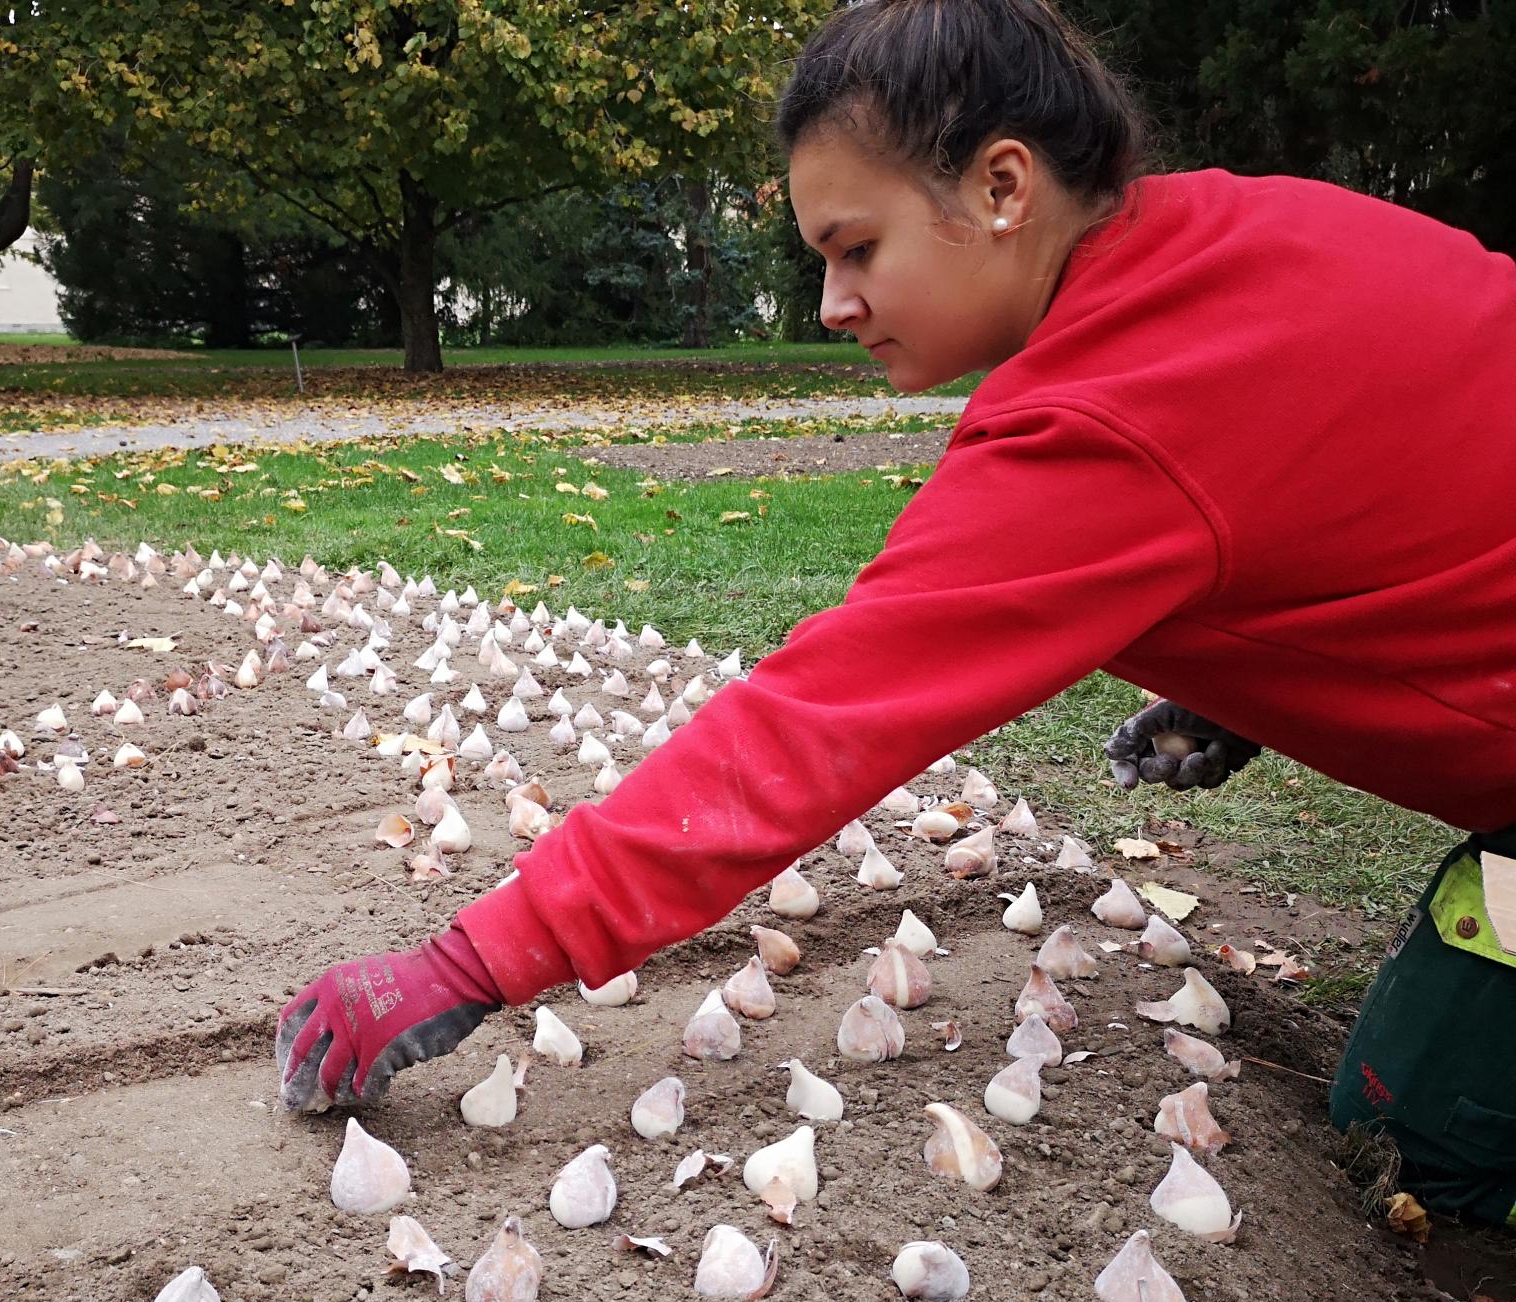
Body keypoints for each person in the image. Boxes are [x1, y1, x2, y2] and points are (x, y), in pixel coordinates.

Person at [277, 0, 1516, 1223]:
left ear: (999, 186)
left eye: (856, 248)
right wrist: (1249, 675)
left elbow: (816, 724)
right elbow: (1384, 482)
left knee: (1422, 1151)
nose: (830, 303)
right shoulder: (1248, 228)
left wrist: (469, 959)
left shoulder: (1104, 413)